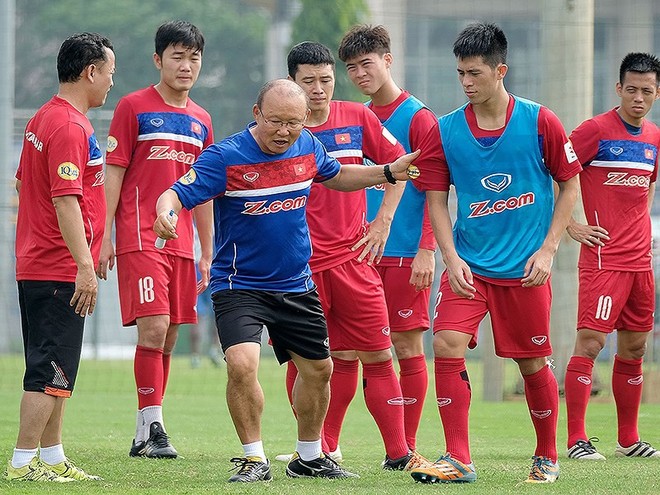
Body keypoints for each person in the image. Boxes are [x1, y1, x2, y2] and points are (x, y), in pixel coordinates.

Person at [153, 79, 420, 482]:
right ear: (256, 113)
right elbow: (175, 194)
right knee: (242, 364)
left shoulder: (308, 146)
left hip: (296, 284)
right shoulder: (225, 157)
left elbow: (335, 175)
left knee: (320, 370)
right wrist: (166, 214)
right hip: (239, 285)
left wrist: (384, 171)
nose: (284, 131)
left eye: (293, 123)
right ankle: (253, 459)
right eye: (276, 121)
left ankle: (310, 456)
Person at [408, 23, 581, 484]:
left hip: (526, 270)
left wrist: (548, 249)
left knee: (530, 363)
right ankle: (458, 458)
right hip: (469, 264)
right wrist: (449, 255)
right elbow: (436, 197)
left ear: (500, 70)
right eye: (460, 73)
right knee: (445, 342)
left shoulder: (540, 121)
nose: (466, 82)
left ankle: (547, 456)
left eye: (475, 73)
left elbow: (569, 185)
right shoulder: (444, 130)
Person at [277, 40, 427, 470]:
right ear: (293, 83)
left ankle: (399, 453)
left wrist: (383, 222)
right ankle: (314, 448)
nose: (319, 89)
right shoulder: (281, 132)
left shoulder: (358, 116)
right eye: (309, 82)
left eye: (326, 80)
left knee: (380, 355)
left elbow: (403, 166)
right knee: (308, 361)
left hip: (353, 261)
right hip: (299, 269)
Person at [96, 20, 214, 459]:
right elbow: (113, 174)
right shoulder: (133, 106)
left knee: (168, 338)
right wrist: (104, 235)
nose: (186, 65)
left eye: (194, 57)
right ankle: (154, 427)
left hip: (182, 244)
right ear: (158, 60)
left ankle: (146, 429)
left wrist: (207, 249)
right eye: (177, 56)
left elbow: (204, 188)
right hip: (139, 235)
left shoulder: (202, 119)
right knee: (155, 326)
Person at [6, 32, 115, 483]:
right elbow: (66, 200)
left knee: (58, 370)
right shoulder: (71, 127)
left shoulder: (42, 118)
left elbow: (20, 185)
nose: (111, 82)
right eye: (109, 73)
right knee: (48, 369)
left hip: (38, 263)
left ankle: (51, 458)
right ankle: (21, 464)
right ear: (90, 71)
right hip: (57, 269)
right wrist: (85, 267)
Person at [336, 24, 438, 455]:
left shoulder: (419, 117)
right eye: (352, 68)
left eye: (368, 63)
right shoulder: (356, 118)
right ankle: (325, 446)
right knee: (341, 348)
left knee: (404, 343)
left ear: (388, 60)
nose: (360, 74)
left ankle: (406, 446)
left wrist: (427, 249)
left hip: (403, 252)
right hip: (356, 254)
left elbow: (437, 188)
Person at [563, 52, 660, 461]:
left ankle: (628, 439)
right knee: (590, 343)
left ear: (657, 93)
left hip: (640, 263)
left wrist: (645, 232)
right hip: (604, 261)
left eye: (648, 91)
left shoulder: (654, 137)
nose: (639, 98)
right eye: (632, 89)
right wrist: (573, 225)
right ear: (619, 89)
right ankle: (576, 440)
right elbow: (558, 171)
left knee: (635, 348)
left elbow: (647, 186)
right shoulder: (594, 130)